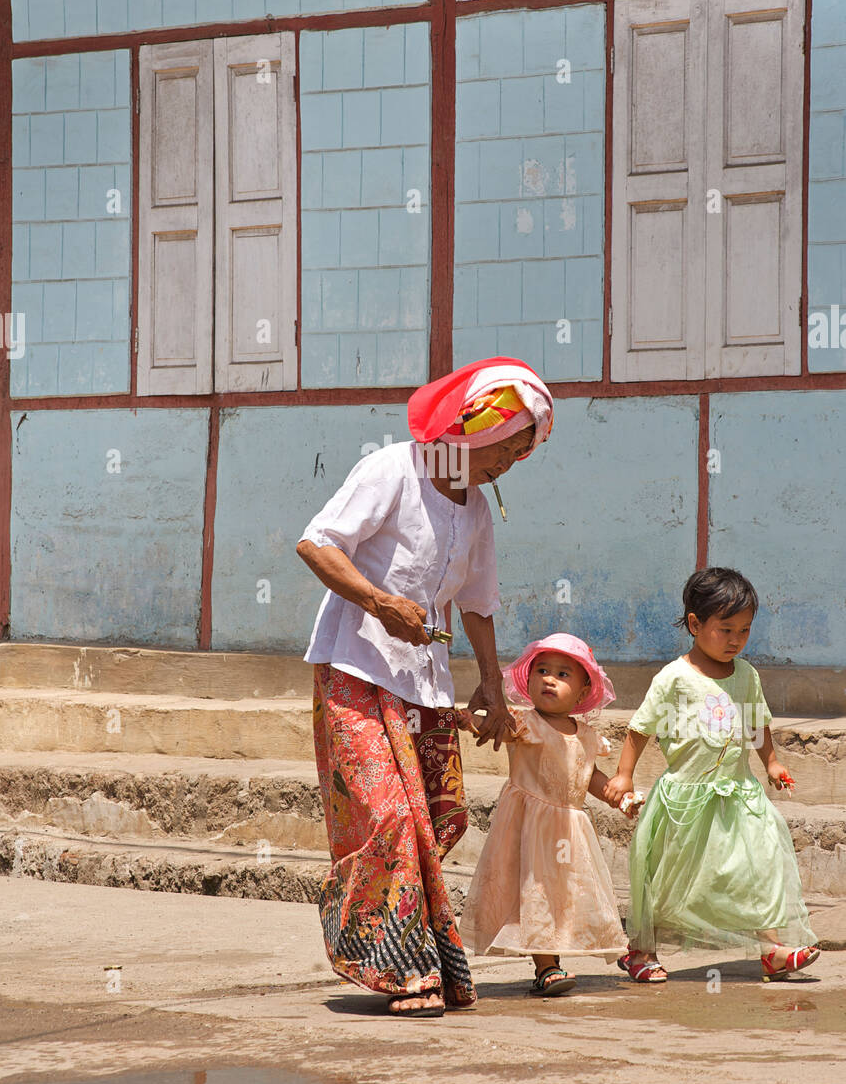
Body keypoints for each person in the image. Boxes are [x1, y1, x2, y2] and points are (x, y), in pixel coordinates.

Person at [296, 358, 554, 1017]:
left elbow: (477, 603)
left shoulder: (476, 512)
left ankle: (424, 962)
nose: (513, 462)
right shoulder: (392, 469)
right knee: (385, 816)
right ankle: (397, 968)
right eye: (511, 445)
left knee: (434, 822)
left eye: (526, 453)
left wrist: (492, 689)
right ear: (474, 425)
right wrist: (380, 602)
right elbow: (317, 543)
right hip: (357, 667)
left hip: (426, 685)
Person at [604, 567, 820, 984]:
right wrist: (624, 776)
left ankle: (772, 949)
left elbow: (757, 723)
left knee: (761, 865)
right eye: (726, 629)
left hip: (740, 796)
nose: (736, 639)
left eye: (745, 630)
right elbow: (640, 728)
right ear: (695, 624)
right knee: (667, 879)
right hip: (684, 801)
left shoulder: (747, 676)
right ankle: (641, 951)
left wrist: (772, 763)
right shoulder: (674, 678)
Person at [459, 634, 629, 995]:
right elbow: (498, 729)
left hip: (568, 832)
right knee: (535, 893)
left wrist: (616, 795)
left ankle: (613, 949)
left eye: (563, 674)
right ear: (529, 679)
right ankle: (547, 966)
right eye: (542, 670)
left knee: (562, 895)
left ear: (583, 693)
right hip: (528, 827)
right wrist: (468, 720)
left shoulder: (586, 735)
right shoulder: (527, 724)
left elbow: (588, 777)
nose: (550, 679)